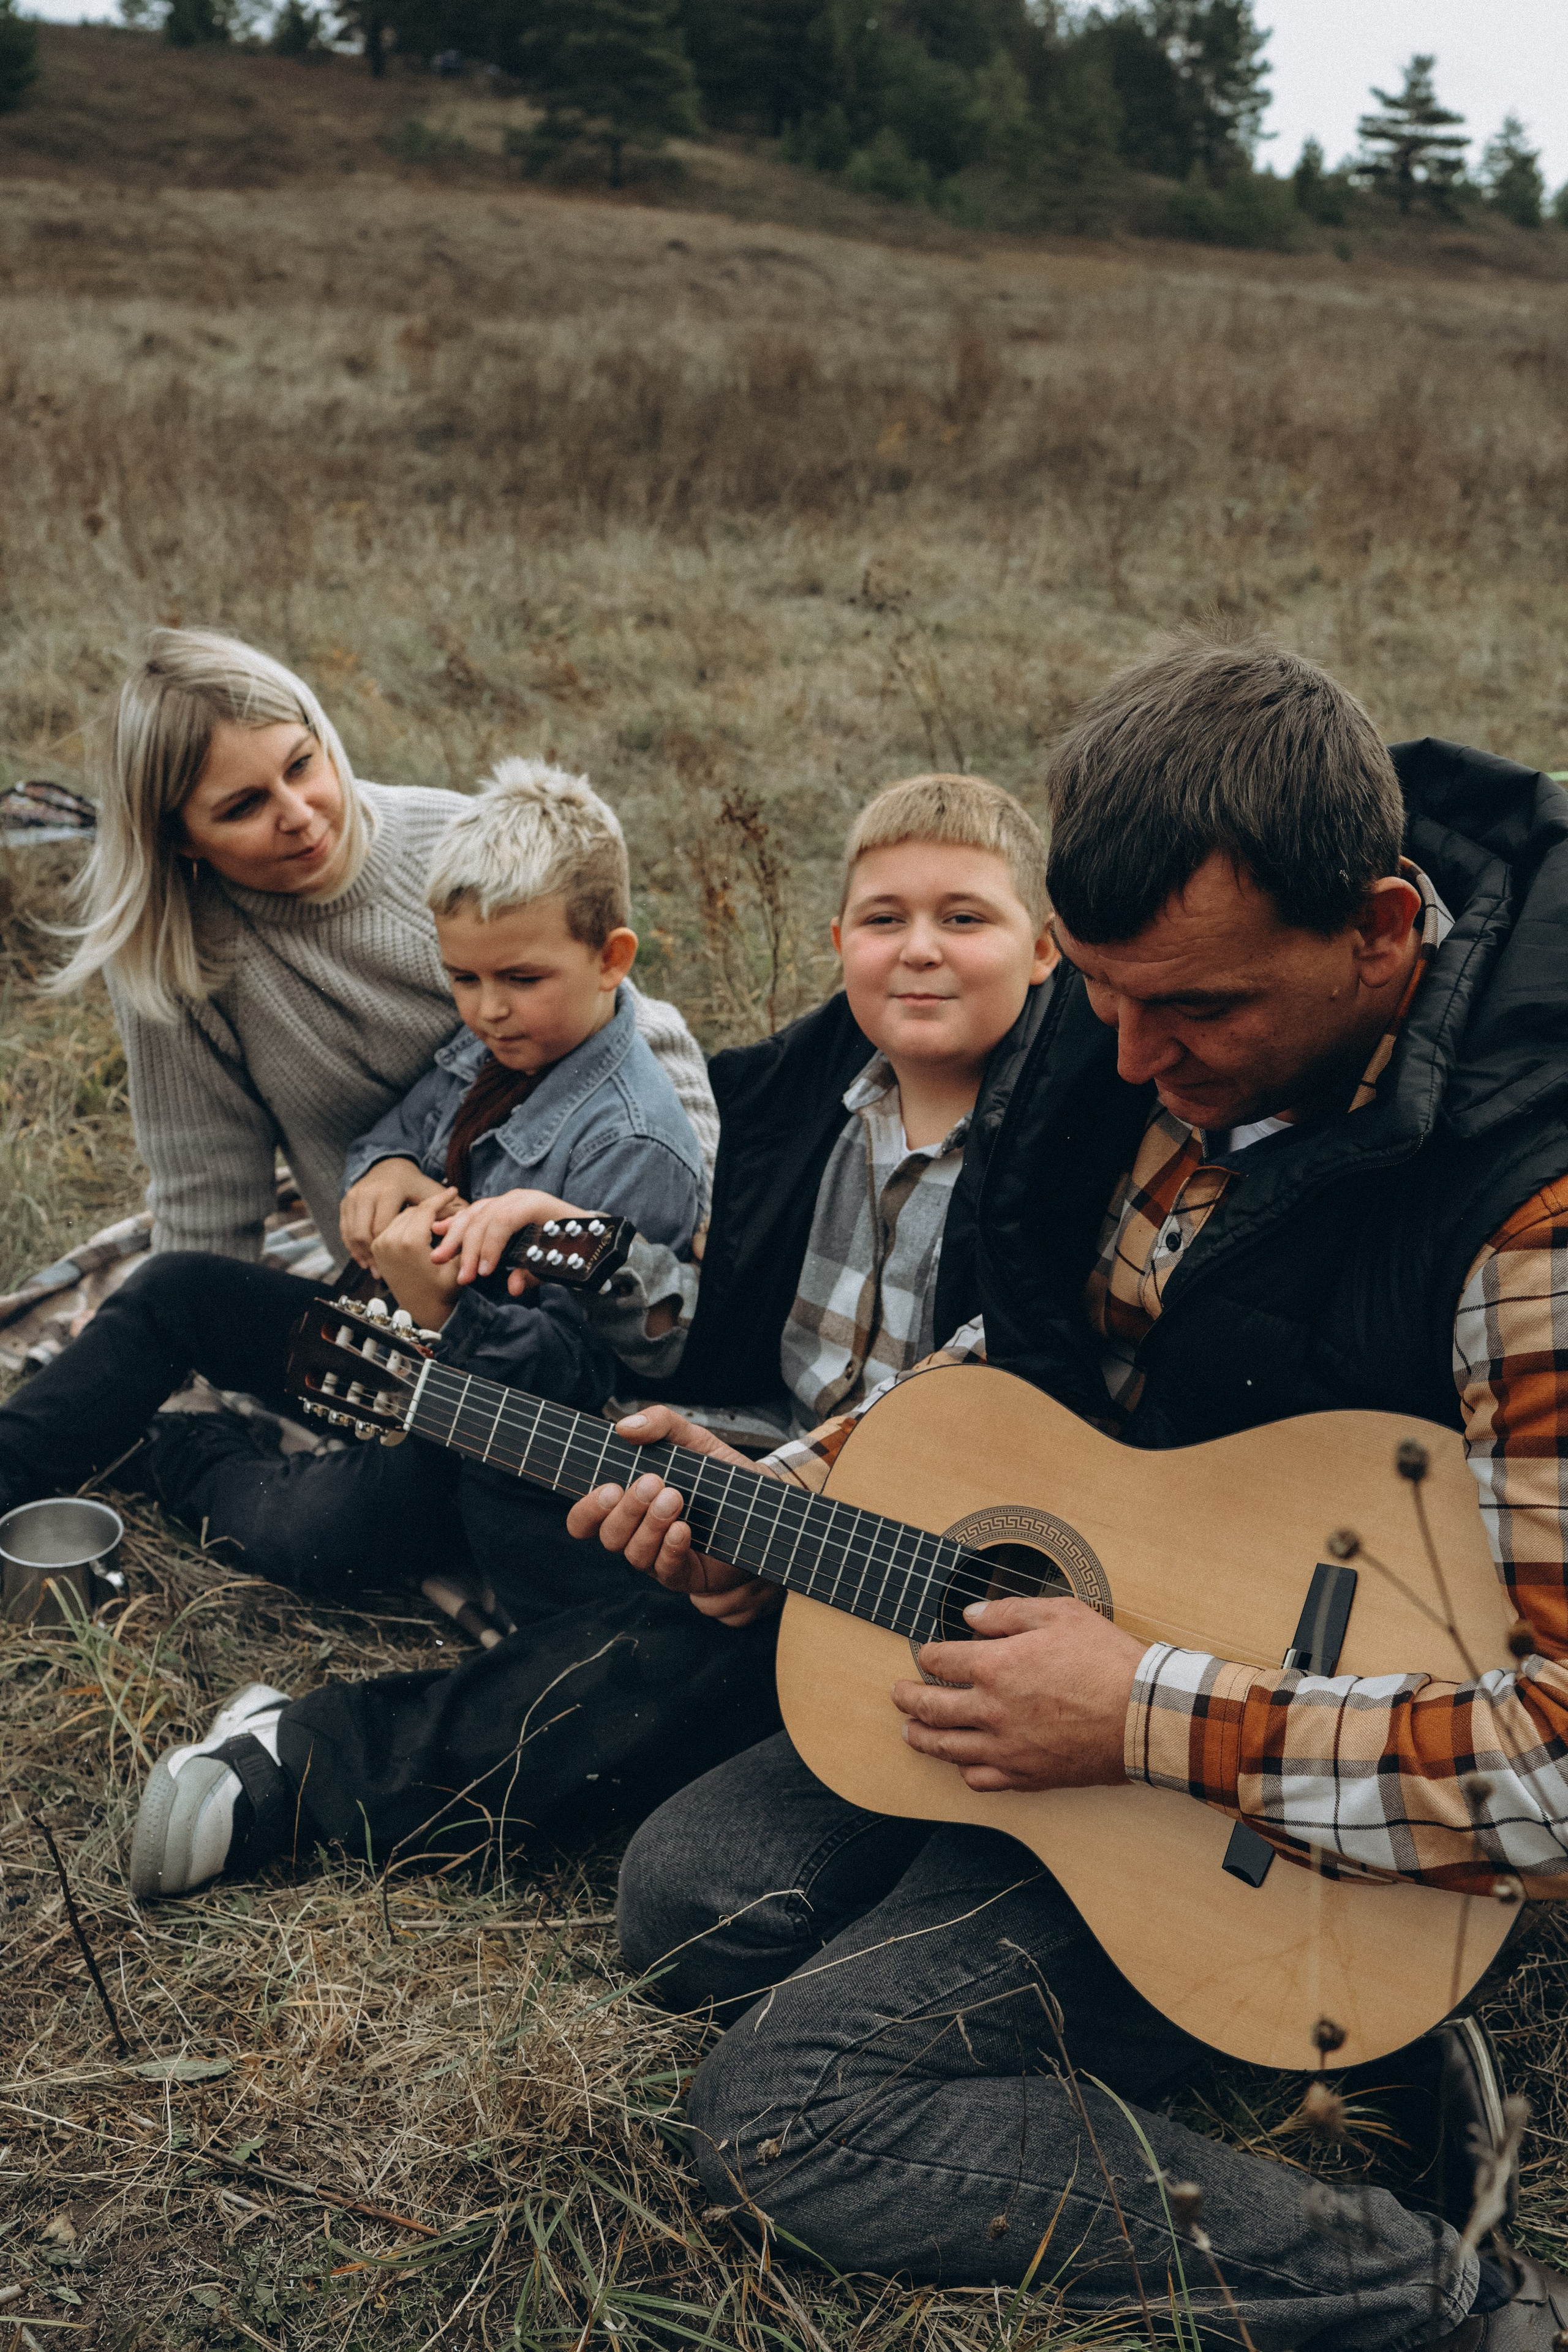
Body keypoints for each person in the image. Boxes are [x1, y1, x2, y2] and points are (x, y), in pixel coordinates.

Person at [574, 643, 1568, 2350]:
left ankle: (1445, 2296)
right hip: (1111, 1669)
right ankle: (1125, 1981)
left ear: (1381, 931)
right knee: (688, 1905)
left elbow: (1552, 1765)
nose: (1128, 1055)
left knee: (788, 2114)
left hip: (1293, 1785)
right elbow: (1037, 1350)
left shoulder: (1532, 1232)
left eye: (1198, 1009)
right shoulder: (1134, 1041)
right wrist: (787, 1490)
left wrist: (1135, 1715)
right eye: (1099, 991)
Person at [94, 771, 1057, 1905]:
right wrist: (591, 1249)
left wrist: (779, 1511)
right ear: (840, 942)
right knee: (528, 1458)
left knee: (698, 1661)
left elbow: (1023, 1372)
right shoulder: (798, 1105)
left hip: (902, 1546)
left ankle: (301, 1764)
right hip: (740, 1465)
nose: (921, 949)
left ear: (1046, 950)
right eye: (886, 919)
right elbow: (696, 1331)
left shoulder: (1062, 1140)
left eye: (965, 917)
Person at [0, 760, 713, 1894]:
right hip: (386, 1345)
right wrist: (382, 1171)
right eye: (463, 978)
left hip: (489, 1441)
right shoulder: (494, 1046)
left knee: (313, 1529)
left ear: (612, 959)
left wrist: (447, 1309)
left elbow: (579, 1384)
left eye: (519, 979)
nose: (485, 1008)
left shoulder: (632, 1141)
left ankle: (173, 1450)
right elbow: (397, 1128)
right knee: (177, 1287)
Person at [49, 628, 717, 1265]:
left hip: (563, 1249)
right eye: (243, 807)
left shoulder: (448, 842)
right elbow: (205, 1191)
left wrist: (709, 1201)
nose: (300, 814)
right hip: (390, 1278)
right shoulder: (175, 959)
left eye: (301, 765)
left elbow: (629, 1025)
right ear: (180, 838)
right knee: (160, 1301)